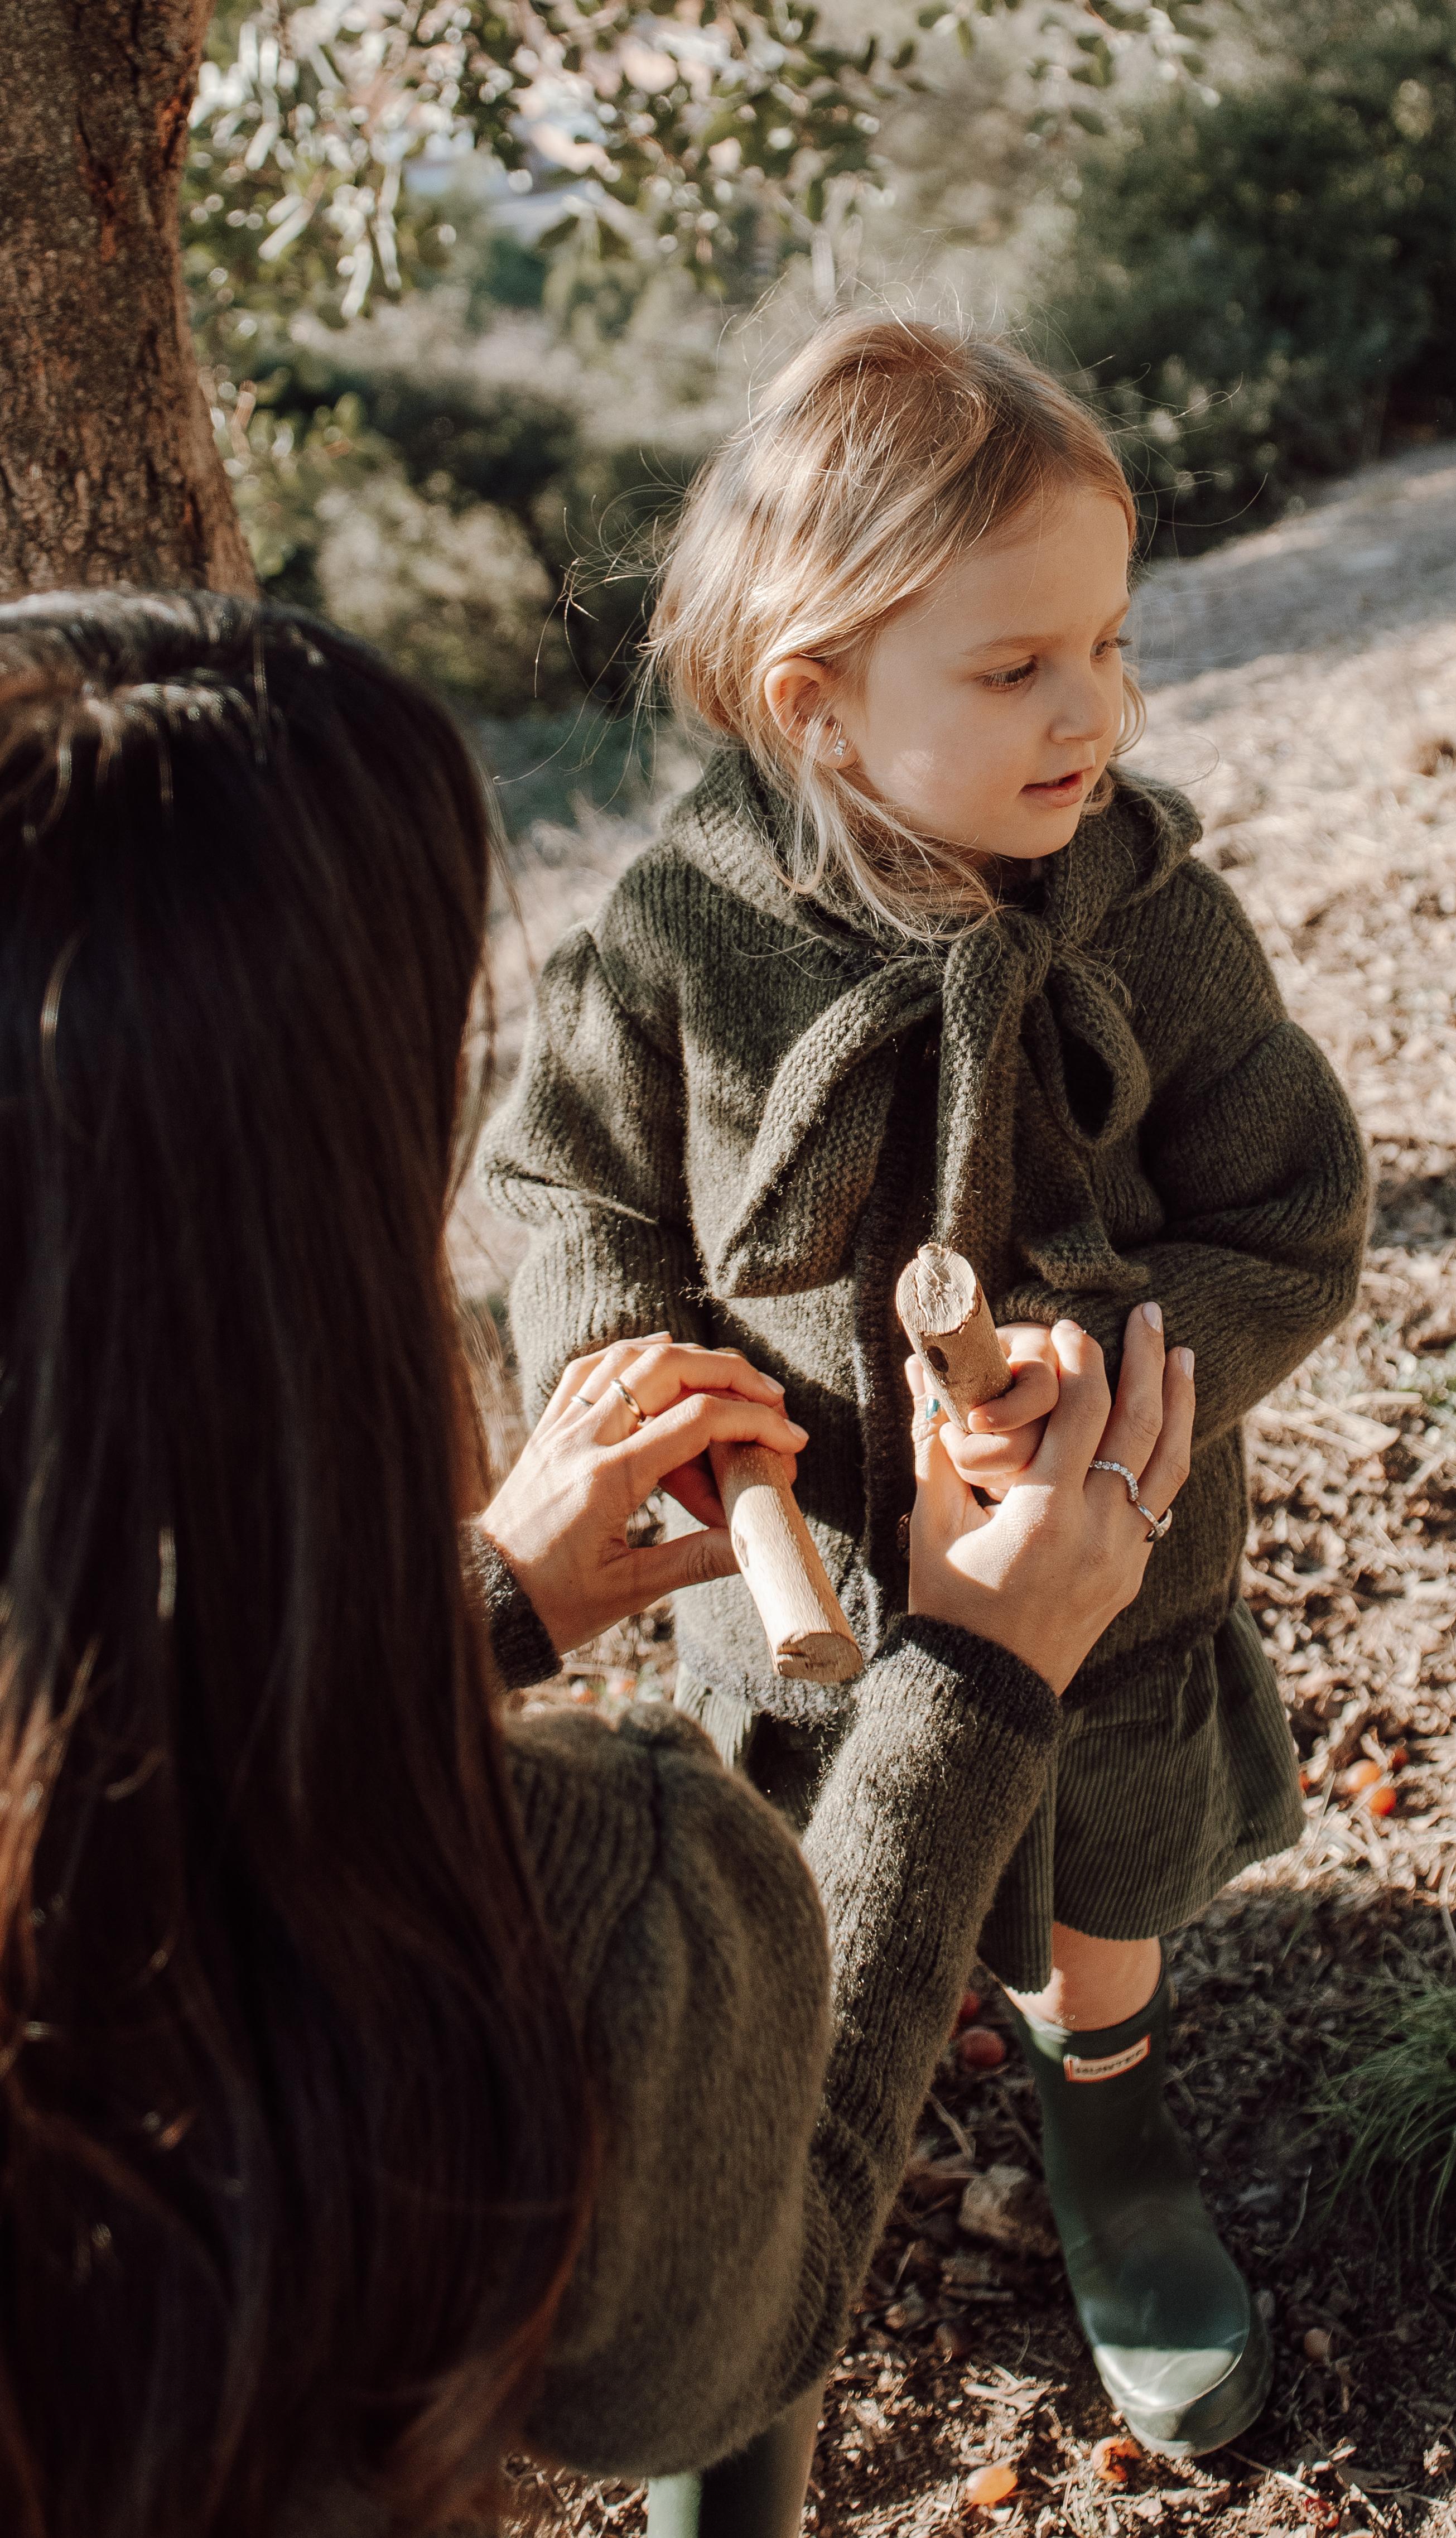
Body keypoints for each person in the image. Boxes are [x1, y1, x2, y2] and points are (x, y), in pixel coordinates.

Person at [0, 590, 1193, 2538]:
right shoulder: (590, 1897)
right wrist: (977, 1675)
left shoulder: (1151, 916)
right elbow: (727, 2339)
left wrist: (461, 1615)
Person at [481, 311, 1371, 2470]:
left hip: (1100, 1563)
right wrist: (615, 1350)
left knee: (1092, 1875)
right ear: (821, 705)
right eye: (1015, 671)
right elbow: (554, 1179)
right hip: (793, 1602)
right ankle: (773, 2186)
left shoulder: (1149, 918)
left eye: (1109, 644)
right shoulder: (678, 936)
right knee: (806, 1896)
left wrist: (1115, 1355)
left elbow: (1293, 1204)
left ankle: (1110, 2134)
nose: (1099, 709)